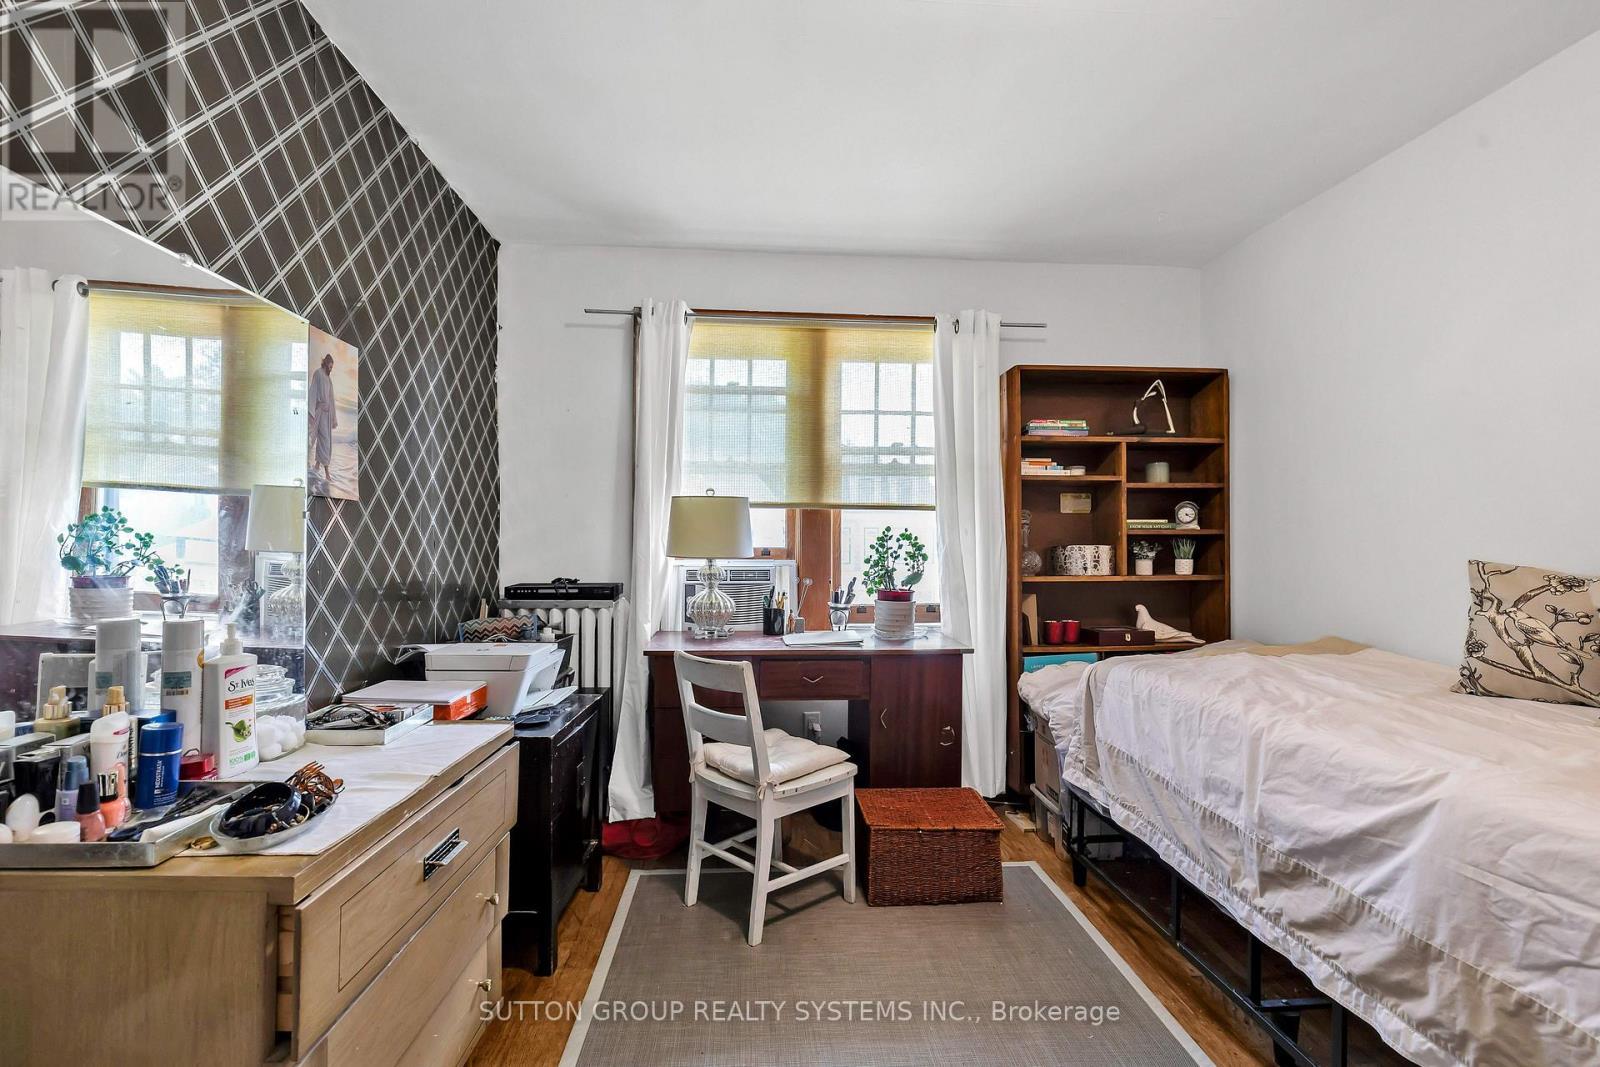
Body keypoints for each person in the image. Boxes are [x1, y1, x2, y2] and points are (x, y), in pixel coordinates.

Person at [309, 351, 337, 486]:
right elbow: (313, 392)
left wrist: (334, 418)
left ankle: (317, 466)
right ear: (325, 364)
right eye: (330, 366)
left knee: (324, 439)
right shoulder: (318, 374)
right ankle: (326, 473)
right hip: (319, 412)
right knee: (321, 439)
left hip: (327, 415)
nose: (331, 369)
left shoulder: (329, 379)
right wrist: (311, 413)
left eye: (332, 367)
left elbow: (331, 399)